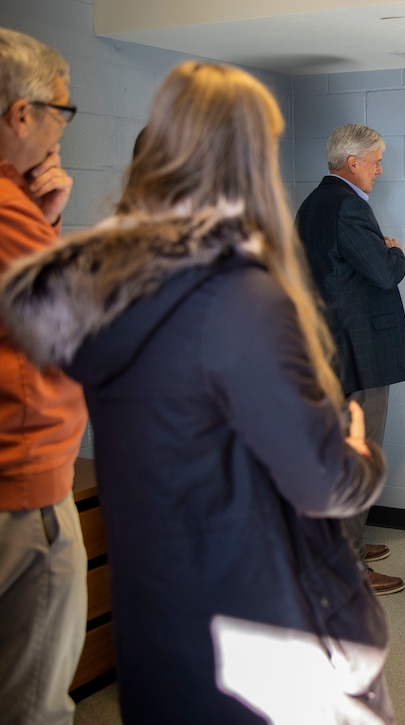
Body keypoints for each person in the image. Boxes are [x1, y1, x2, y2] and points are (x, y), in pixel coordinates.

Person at [1, 61, 395, 723]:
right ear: (246, 161)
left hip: (157, 618)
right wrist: (359, 450)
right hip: (256, 622)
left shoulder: (98, 294)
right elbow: (324, 480)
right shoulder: (240, 299)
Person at [0, 27, 88, 724]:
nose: (63, 127)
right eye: (61, 110)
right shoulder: (6, 211)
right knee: (34, 702)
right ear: (20, 114)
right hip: (20, 484)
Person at [295, 123, 405, 596]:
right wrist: (397, 253)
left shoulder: (312, 205)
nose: (380, 170)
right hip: (354, 355)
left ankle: (351, 548)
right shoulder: (348, 207)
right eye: (376, 161)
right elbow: (383, 274)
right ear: (353, 163)